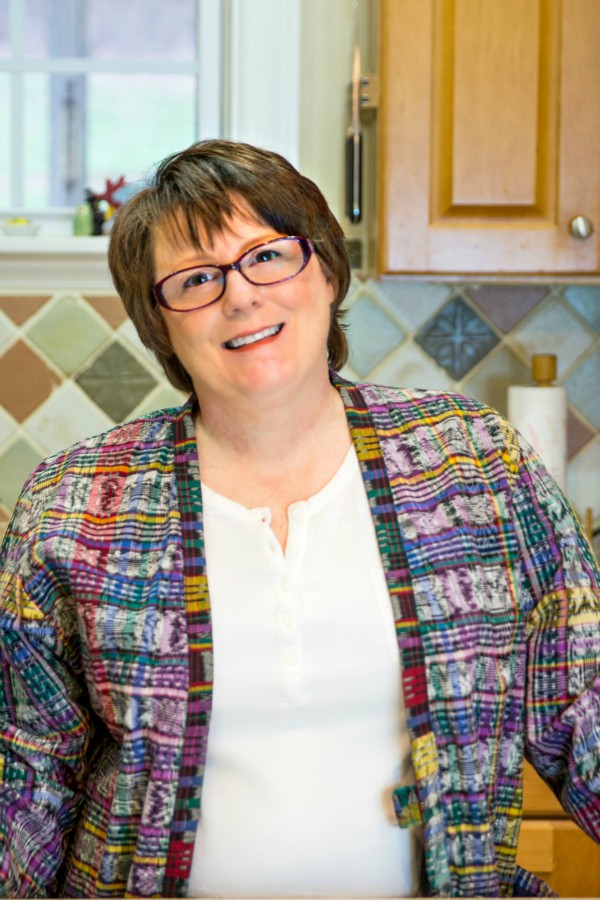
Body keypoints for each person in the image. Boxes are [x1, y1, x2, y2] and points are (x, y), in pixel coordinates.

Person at [1, 139, 599, 900]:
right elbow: (28, 772)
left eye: (268, 256)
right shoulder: (79, 502)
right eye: (195, 279)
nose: (241, 296)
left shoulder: (475, 466)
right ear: (162, 327)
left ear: (323, 268)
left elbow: (585, 709)